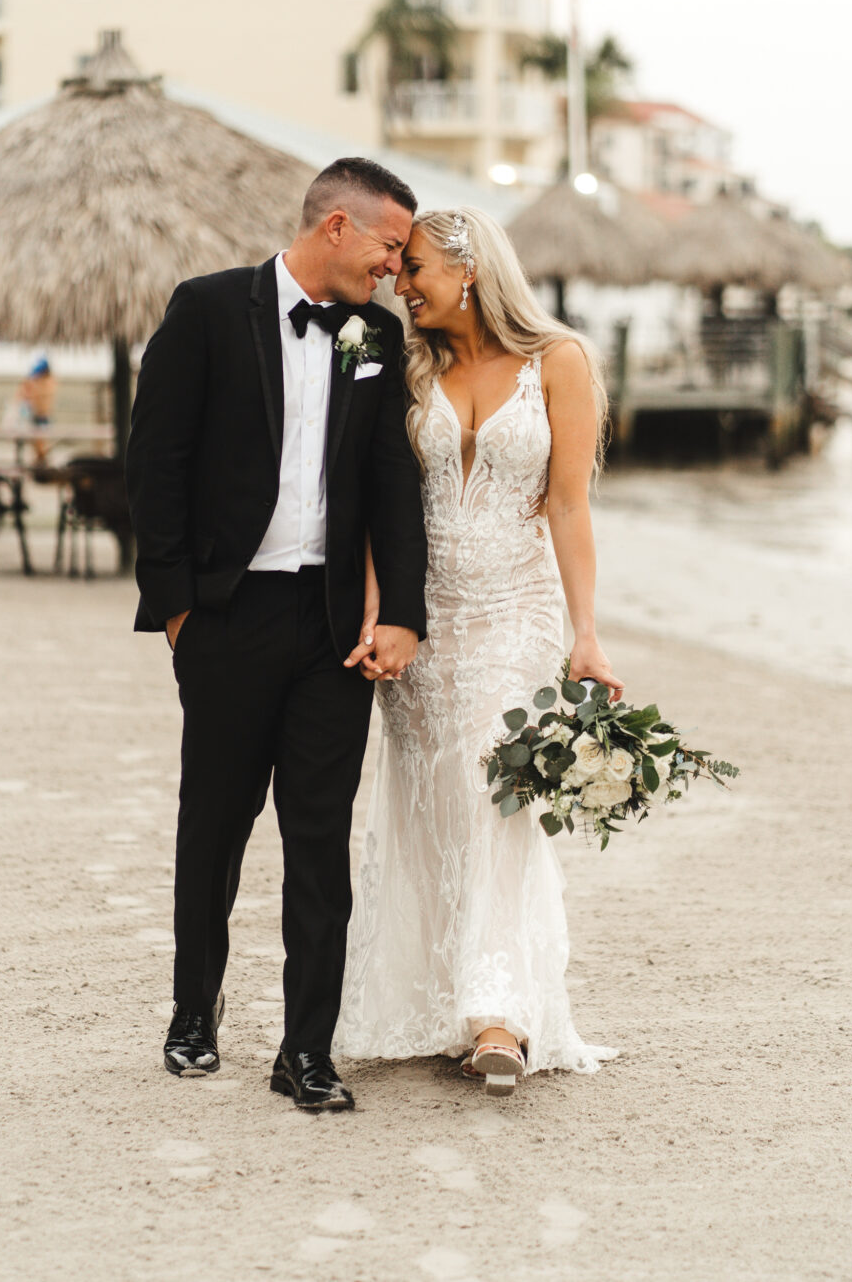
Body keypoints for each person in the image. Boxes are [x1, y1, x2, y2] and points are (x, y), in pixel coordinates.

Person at [125, 158, 428, 1113]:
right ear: (336, 226)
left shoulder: (374, 338)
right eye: (388, 245)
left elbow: (391, 485)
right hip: (226, 616)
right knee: (214, 825)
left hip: (334, 627)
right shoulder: (209, 309)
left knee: (318, 838)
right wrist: (177, 608)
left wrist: (404, 612)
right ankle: (192, 1012)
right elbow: (156, 461)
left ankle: (306, 1050)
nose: (394, 266)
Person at [336, 207, 621, 1096]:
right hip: (427, 615)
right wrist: (382, 607)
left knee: (494, 788)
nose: (400, 284)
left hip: (517, 609)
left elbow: (569, 505)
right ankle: (439, 998)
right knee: (428, 799)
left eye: (414, 268)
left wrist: (585, 633)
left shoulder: (558, 361)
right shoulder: (400, 359)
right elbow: (372, 491)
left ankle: (500, 1013)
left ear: (469, 270)